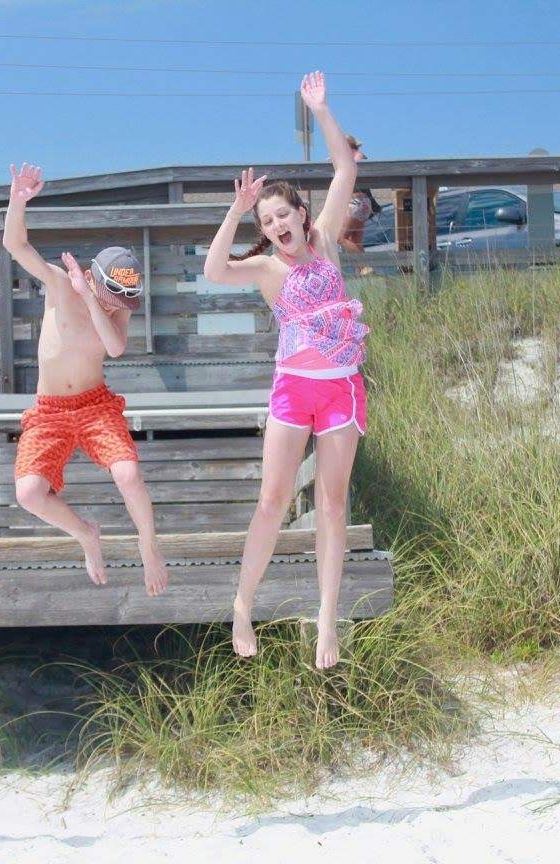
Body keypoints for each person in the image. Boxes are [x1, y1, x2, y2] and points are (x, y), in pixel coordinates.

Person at [203, 72, 368, 669]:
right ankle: (242, 603)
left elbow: (344, 169)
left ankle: (327, 620)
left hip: (342, 390)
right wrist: (235, 211)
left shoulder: (324, 242)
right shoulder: (267, 270)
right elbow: (214, 271)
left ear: (302, 214)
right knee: (272, 500)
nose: (277, 225)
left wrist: (321, 109)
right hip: (294, 392)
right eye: (267, 220)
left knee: (333, 504)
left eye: (283, 214)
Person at [2, 162, 168, 597]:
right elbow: (15, 244)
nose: (116, 306)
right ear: (93, 277)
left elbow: (114, 348)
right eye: (110, 296)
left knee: (128, 474)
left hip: (95, 406)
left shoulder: (116, 312)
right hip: (50, 411)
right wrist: (18, 200)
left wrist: (95, 302)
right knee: (29, 494)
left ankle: (148, 543)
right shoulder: (58, 284)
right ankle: (85, 533)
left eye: (122, 301)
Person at [337, 134, 380, 255]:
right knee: (355, 241)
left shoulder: (355, 156)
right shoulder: (355, 156)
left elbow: (355, 164)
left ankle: (366, 263)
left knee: (340, 237)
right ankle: (364, 266)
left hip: (356, 203)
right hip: (362, 203)